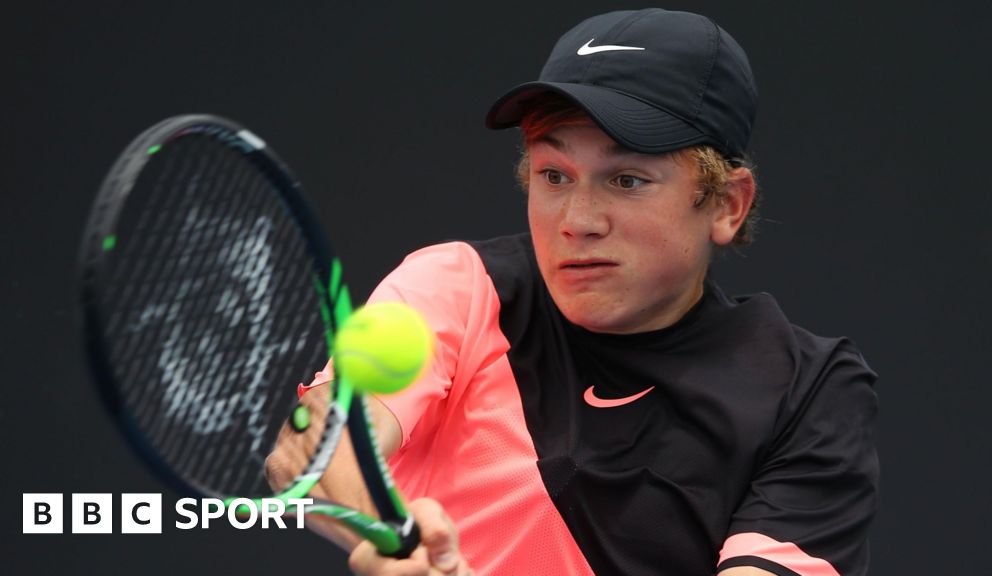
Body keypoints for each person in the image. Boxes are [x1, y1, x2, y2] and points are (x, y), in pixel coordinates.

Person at [267, 8, 878, 576]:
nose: (577, 218)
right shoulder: (460, 284)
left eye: (627, 179)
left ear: (726, 204)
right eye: (553, 175)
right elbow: (313, 447)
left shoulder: (808, 390)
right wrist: (386, 537)